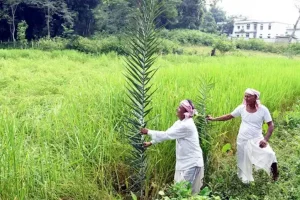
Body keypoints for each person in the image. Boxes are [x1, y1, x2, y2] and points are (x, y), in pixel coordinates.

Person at [206, 88, 279, 183]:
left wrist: (265, 139)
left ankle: (275, 175)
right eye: (245, 96)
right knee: (243, 160)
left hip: (257, 138)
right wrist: (214, 119)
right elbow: (229, 116)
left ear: (255, 97)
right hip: (242, 139)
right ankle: (244, 180)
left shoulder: (263, 109)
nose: (246, 98)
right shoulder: (242, 108)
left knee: (270, 154)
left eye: (248, 96)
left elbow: (271, 125)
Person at [140, 99, 204, 195]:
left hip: (192, 164)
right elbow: (168, 133)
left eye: (179, 108)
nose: (177, 109)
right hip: (183, 163)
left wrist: (148, 132)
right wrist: (151, 142)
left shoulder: (187, 125)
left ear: (185, 113)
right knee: (179, 190)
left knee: (184, 193)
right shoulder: (180, 122)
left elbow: (167, 135)